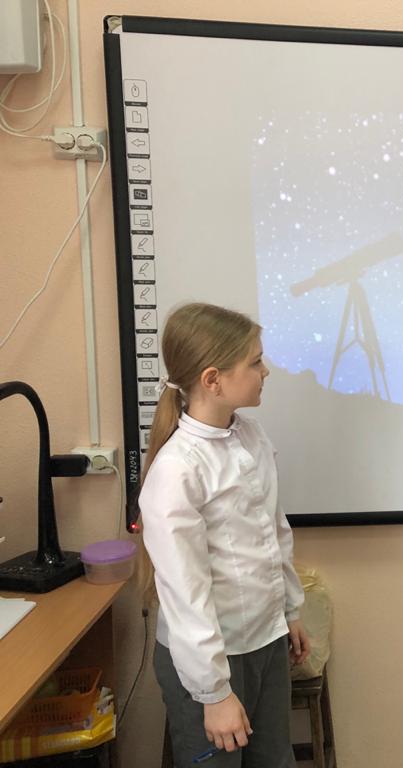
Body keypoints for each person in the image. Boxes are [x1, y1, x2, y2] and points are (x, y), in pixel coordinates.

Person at [136, 302, 311, 768]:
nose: (265, 371)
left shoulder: (251, 437)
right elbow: (185, 593)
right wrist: (213, 693)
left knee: (275, 759)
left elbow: (273, 534)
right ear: (213, 380)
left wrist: (289, 610)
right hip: (211, 661)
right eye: (255, 362)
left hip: (265, 640)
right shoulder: (178, 471)